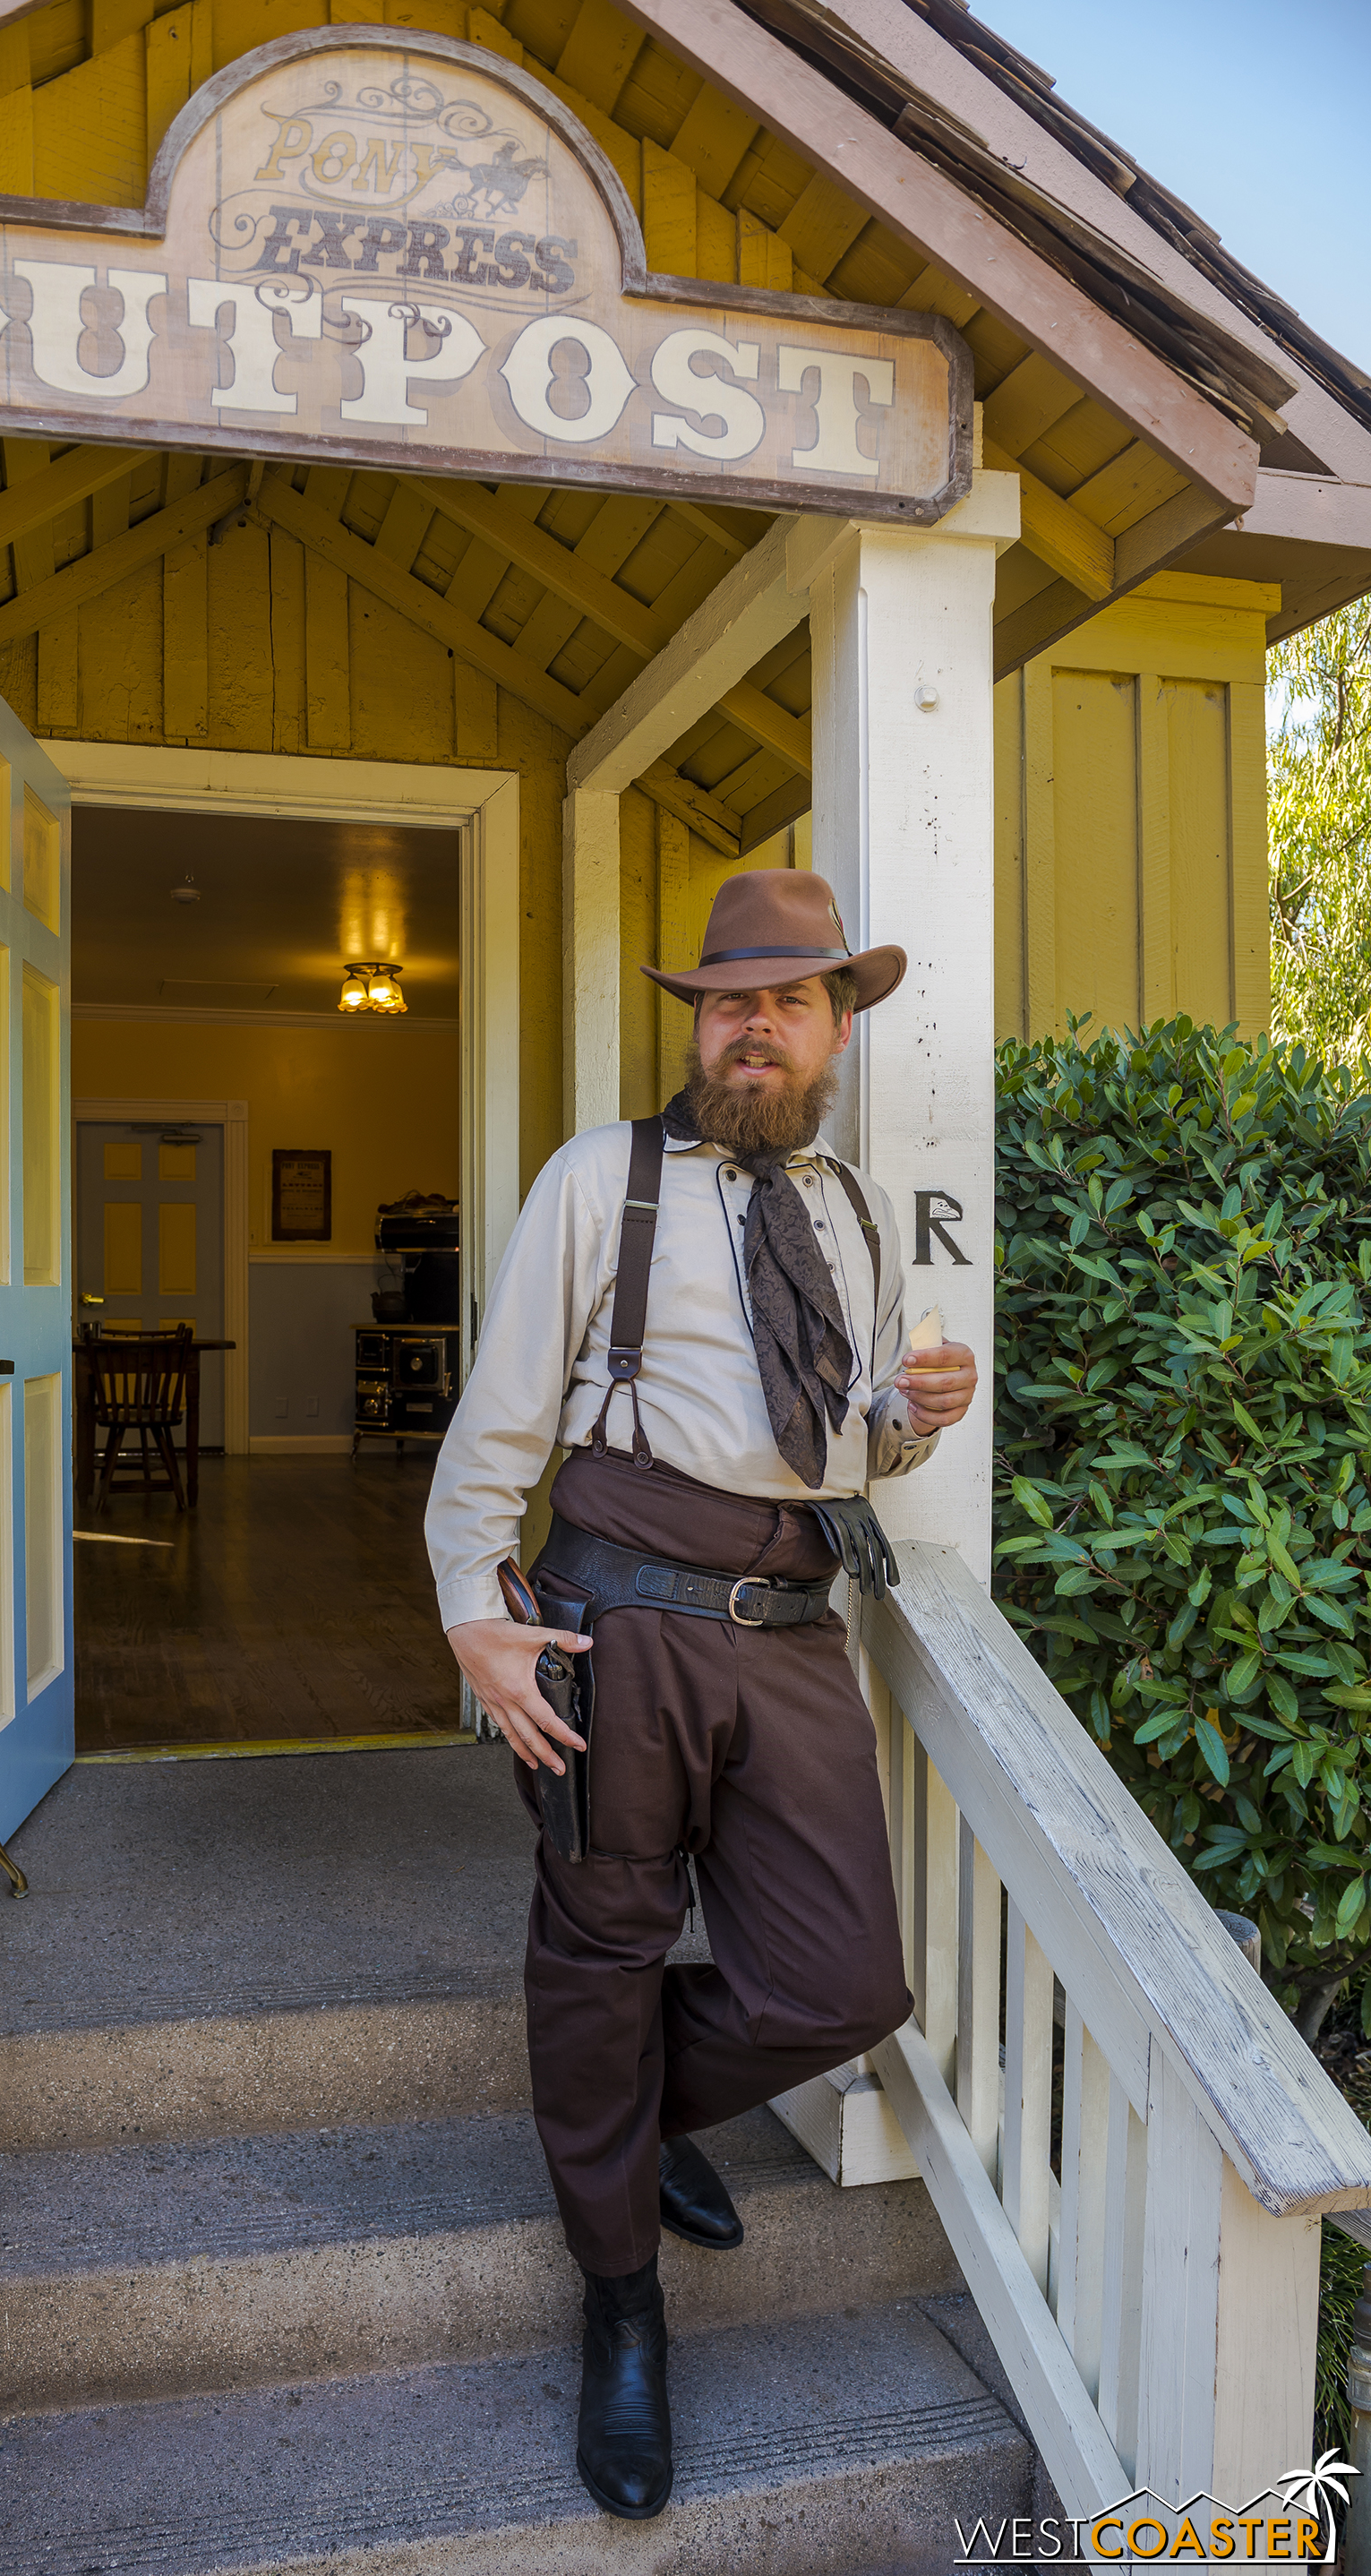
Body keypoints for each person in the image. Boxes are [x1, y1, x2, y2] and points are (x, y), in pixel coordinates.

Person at [424, 867, 979, 2521]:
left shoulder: (864, 1214)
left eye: (790, 999)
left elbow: (836, 1439)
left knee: (842, 1985)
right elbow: (499, 1423)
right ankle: (620, 2306)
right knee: (600, 1947)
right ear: (697, 1021)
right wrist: (474, 1610)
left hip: (797, 1623)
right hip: (617, 1621)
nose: (755, 1025)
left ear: (835, 1027)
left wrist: (916, 1415)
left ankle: (622, 2100)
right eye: (729, 998)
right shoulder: (605, 1180)